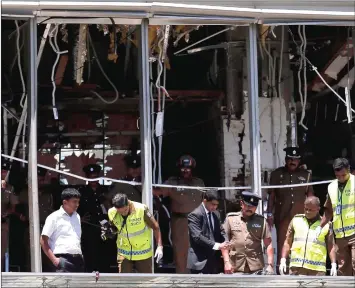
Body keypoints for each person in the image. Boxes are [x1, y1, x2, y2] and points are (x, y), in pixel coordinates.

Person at [153, 155, 205, 273]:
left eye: (188, 168)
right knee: (181, 251)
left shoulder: (199, 182)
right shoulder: (172, 183)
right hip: (180, 221)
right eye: (183, 168)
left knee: (199, 249)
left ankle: (199, 278)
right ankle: (183, 279)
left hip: (197, 221)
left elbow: (205, 200)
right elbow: (157, 192)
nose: (185, 171)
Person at [266, 146, 314, 270]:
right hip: (282, 216)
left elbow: (310, 196)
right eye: (290, 159)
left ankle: (300, 270)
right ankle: (282, 271)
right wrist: (269, 214)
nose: (293, 162)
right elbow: (271, 195)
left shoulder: (306, 175)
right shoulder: (277, 174)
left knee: (301, 243)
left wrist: (313, 215)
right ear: (286, 159)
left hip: (301, 217)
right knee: (282, 243)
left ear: (299, 161)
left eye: (296, 159)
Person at [105, 193, 163, 273]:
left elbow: (156, 227)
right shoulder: (112, 212)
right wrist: (110, 231)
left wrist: (159, 246)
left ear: (128, 203)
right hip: (124, 252)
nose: (123, 213)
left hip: (143, 251)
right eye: (120, 212)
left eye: (125, 210)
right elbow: (116, 227)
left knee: (146, 282)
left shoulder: (141, 209)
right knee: (124, 282)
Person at [280, 196, 337, 276]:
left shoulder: (326, 224)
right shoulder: (296, 220)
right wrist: (283, 259)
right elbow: (287, 242)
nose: (307, 212)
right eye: (306, 209)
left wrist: (333, 264)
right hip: (296, 268)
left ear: (318, 209)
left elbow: (331, 246)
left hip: (317, 271)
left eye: (310, 210)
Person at [223, 191, 274, 275]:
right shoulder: (231, 219)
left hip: (256, 267)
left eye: (253, 206)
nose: (250, 208)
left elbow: (268, 244)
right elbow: (224, 243)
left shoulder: (261, 221)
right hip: (235, 267)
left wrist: (270, 265)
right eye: (247, 205)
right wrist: (226, 262)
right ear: (241, 203)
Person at [320, 158, 355, 276]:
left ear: (349, 170)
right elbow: (329, 211)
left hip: (354, 232)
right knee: (343, 269)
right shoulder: (331, 187)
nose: (340, 178)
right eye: (337, 175)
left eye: (343, 175)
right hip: (340, 236)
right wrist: (319, 227)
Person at [40, 188, 84, 273]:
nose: (77, 204)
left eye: (78, 202)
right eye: (74, 201)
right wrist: (54, 260)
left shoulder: (77, 217)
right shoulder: (54, 217)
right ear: (65, 202)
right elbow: (43, 240)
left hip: (78, 258)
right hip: (62, 258)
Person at [78, 163, 111, 272]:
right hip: (89, 228)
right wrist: (80, 218)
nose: (94, 180)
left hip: (104, 227)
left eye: (96, 177)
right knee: (89, 254)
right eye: (91, 177)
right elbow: (75, 208)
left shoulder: (105, 191)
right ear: (87, 178)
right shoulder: (81, 192)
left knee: (104, 254)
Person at [187, 192, 230, 274]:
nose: (215, 207)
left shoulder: (215, 214)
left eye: (217, 205)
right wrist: (217, 245)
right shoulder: (195, 215)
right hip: (200, 261)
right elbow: (197, 236)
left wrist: (226, 242)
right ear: (204, 200)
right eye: (213, 204)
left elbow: (221, 231)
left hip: (213, 261)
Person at [1, 160, 19, 271]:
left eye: (5, 171)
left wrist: (6, 213)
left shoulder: (9, 188)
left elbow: (13, 207)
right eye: (1, 170)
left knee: (2, 252)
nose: (3, 173)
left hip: (2, 224)